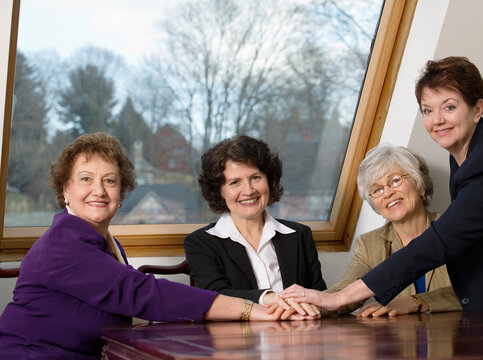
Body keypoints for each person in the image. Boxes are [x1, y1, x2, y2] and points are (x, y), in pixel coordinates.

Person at [280, 56, 483, 315]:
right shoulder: (469, 153)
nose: (437, 120)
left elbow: (439, 243)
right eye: (428, 110)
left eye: (449, 107)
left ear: (477, 109)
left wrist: (340, 299)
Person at [0, 133, 290, 360]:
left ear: (122, 191)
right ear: (65, 189)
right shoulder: (63, 244)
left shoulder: (105, 243)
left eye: (110, 181)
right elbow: (143, 293)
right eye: (86, 179)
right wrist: (250, 309)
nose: (98, 190)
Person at [185, 135, 326, 319]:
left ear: (270, 180)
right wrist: (267, 298)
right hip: (237, 342)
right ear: (219, 191)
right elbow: (214, 298)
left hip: (297, 338)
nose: (249, 190)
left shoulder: (299, 235)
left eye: (256, 177)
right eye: (235, 182)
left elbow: (319, 296)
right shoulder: (201, 243)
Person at [325, 145, 461, 317]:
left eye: (395, 180)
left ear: (421, 186)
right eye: (377, 190)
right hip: (402, 341)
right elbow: (347, 290)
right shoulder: (369, 244)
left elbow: (478, 287)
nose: (387, 193)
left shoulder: (454, 226)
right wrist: (313, 305)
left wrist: (416, 302)